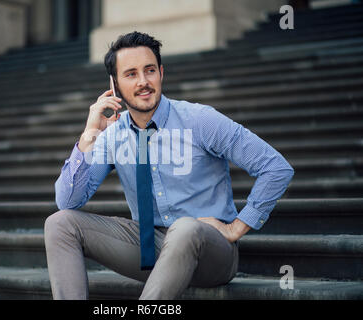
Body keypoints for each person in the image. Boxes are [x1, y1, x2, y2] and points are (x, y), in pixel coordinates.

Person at [44, 31, 294, 300]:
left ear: (161, 73)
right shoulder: (111, 136)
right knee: (60, 224)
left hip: (210, 251)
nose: (143, 82)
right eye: (131, 74)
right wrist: (89, 134)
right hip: (149, 248)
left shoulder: (199, 120)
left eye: (149, 70)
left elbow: (276, 168)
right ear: (114, 84)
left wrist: (236, 227)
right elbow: (68, 201)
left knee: (185, 228)